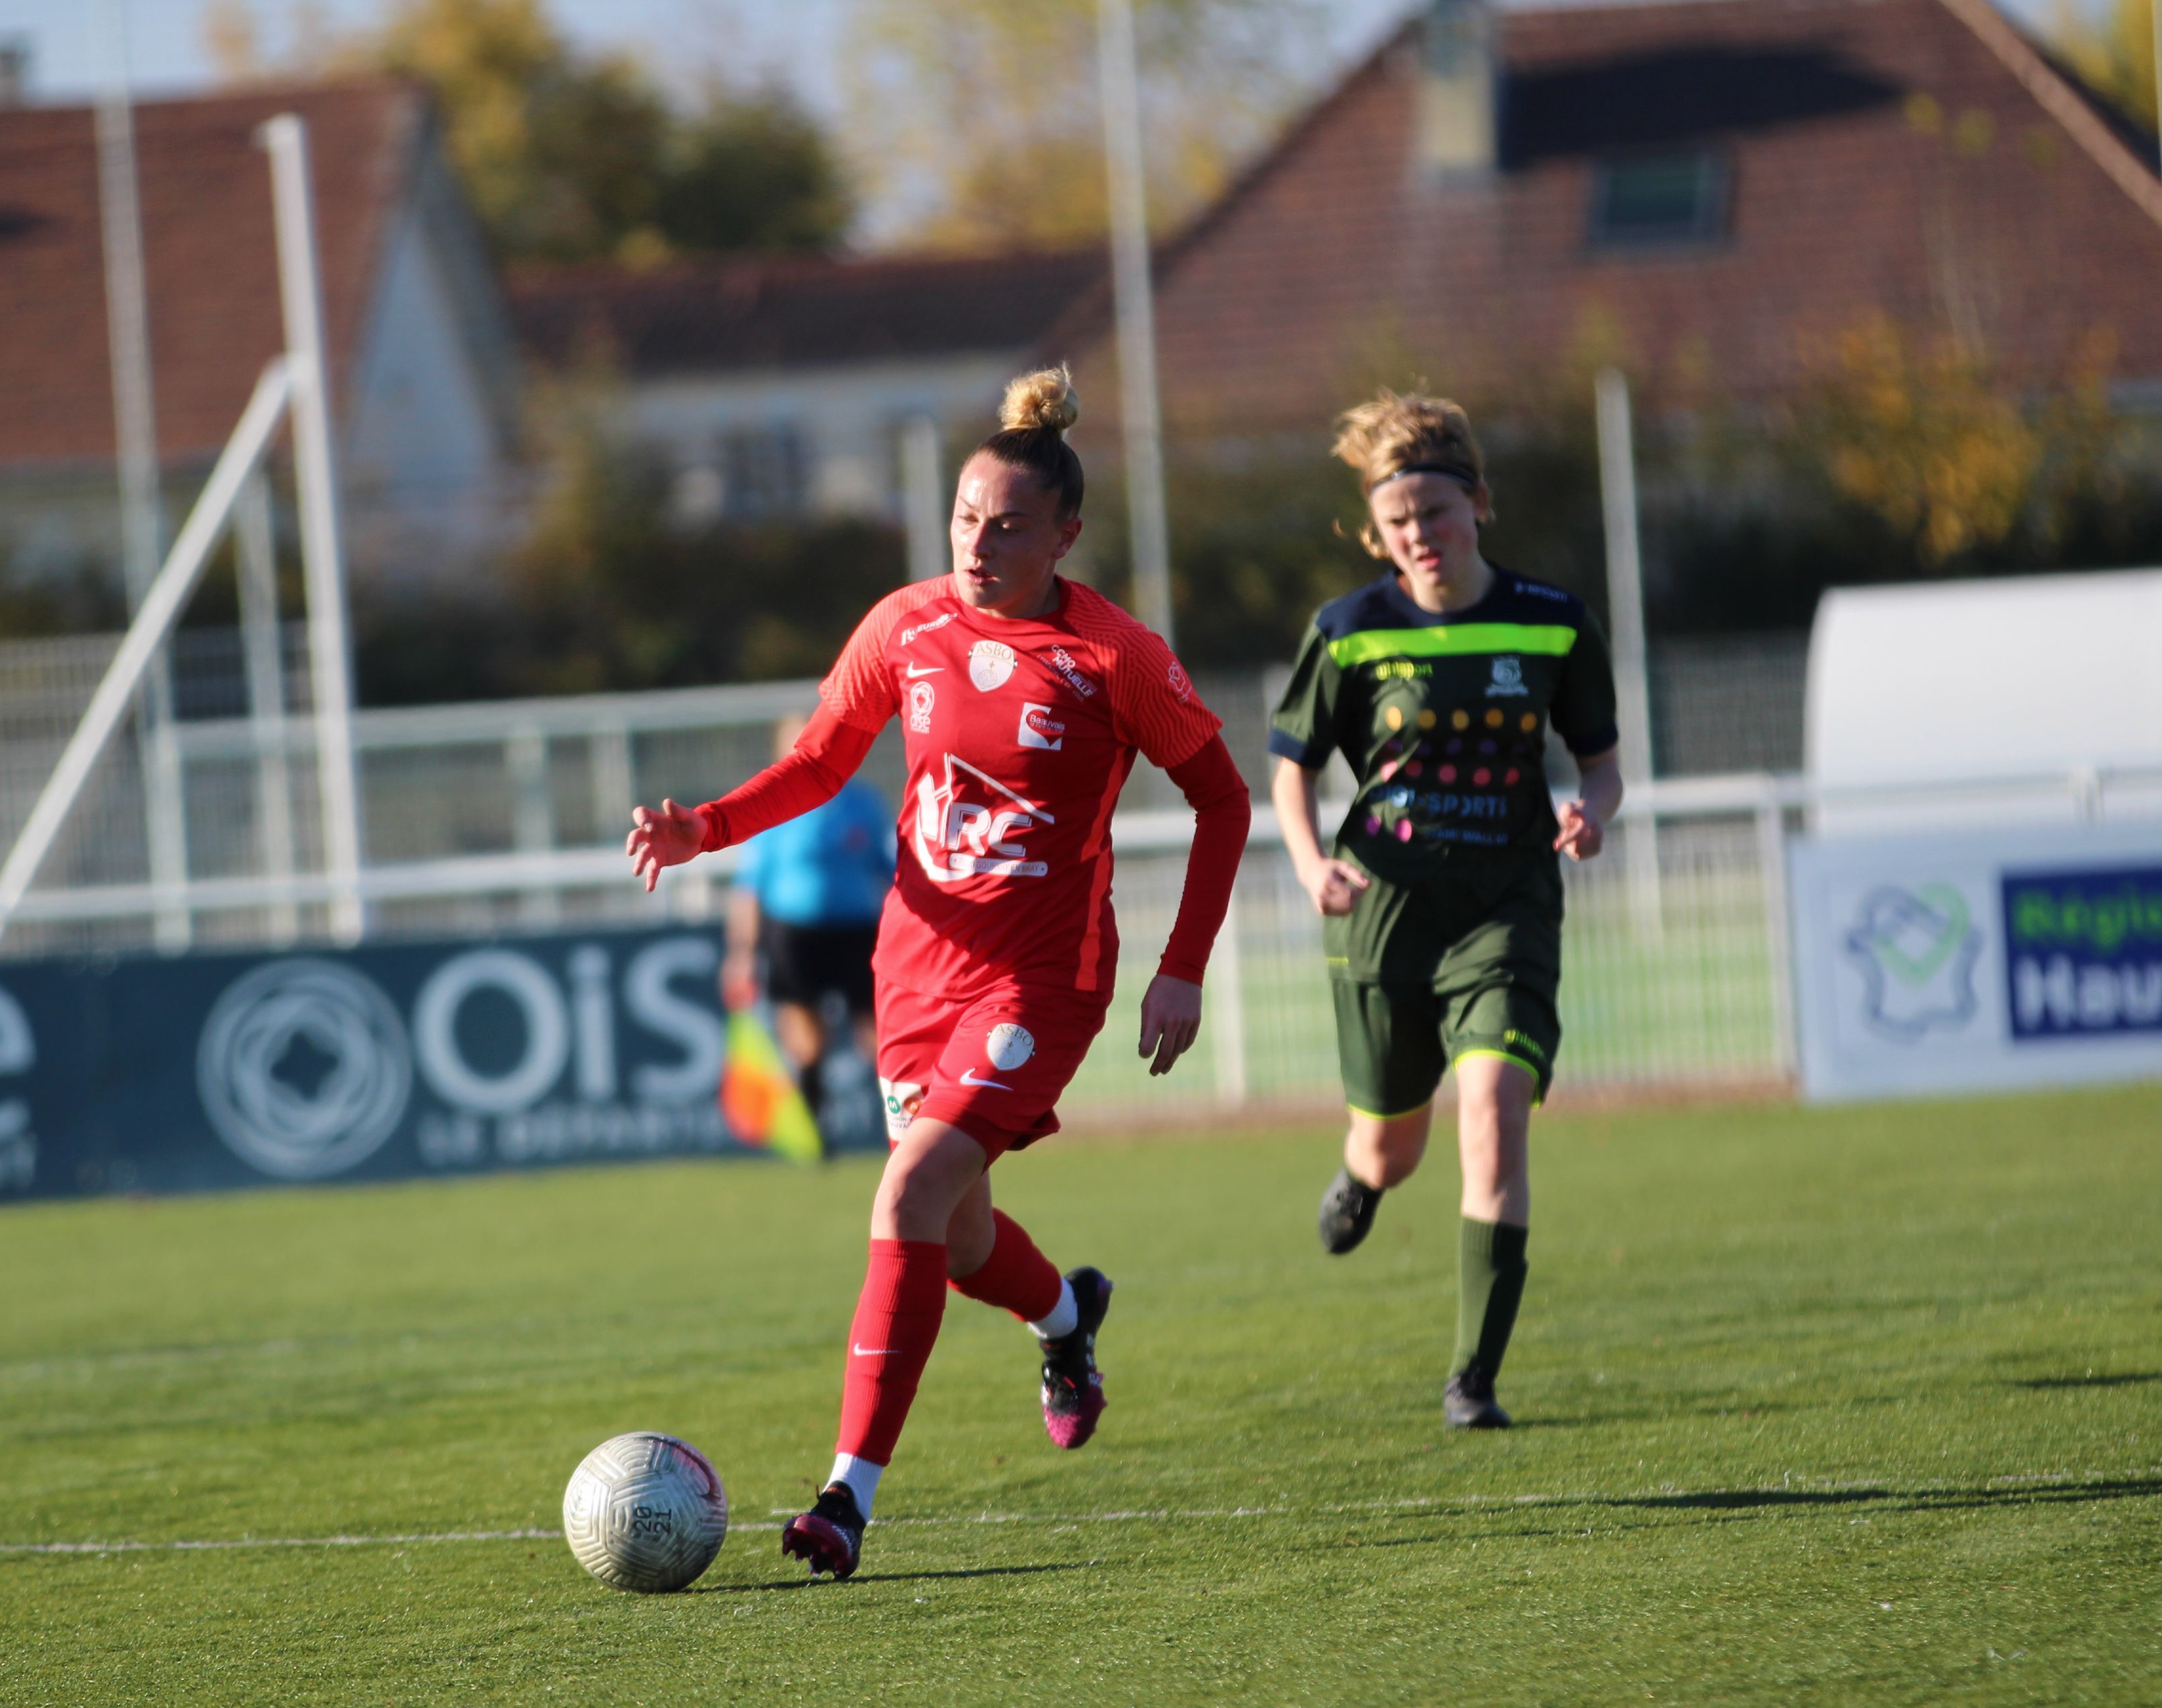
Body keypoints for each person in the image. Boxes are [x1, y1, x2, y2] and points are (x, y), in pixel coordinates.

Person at [628, 366, 1251, 1579]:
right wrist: (707, 826)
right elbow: (818, 764)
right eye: (967, 518)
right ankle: (1067, 1323)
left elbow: (1222, 804)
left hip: (1041, 980)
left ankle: (845, 1501)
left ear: (1065, 535)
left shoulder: (1114, 655)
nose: (981, 542)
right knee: (960, 1240)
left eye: (1010, 525)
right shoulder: (903, 625)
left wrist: (1183, 968)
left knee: (908, 1199)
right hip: (914, 971)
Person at [1267, 390, 1621, 1431]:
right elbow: (1290, 770)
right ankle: (1361, 1179)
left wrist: (1589, 818)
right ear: (1375, 532)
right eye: (1400, 520)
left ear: (1480, 505)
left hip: (1506, 908)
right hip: (1385, 913)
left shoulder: (1553, 623)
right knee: (1394, 1149)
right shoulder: (1348, 633)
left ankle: (1473, 1377)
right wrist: (1304, 864)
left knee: (1493, 1113)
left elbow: (1602, 767)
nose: (1421, 535)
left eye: (1438, 510)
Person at [721, 716, 896, 1136]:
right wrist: (742, 953)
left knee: (880, 1032)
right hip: (795, 933)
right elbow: (749, 888)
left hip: (857, 930)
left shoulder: (863, 803)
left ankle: (901, 1128)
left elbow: (890, 872)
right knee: (807, 1035)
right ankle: (816, 1125)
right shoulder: (773, 806)